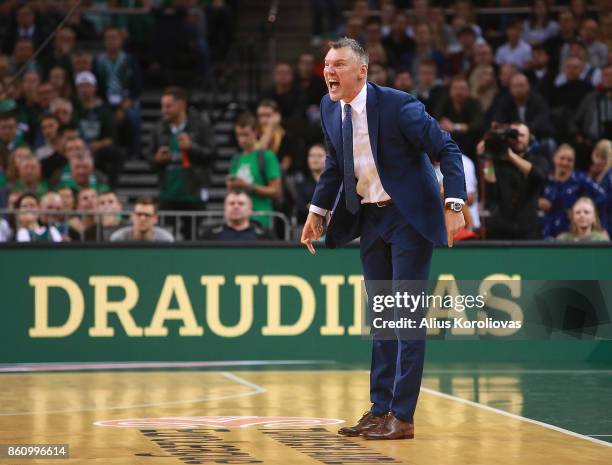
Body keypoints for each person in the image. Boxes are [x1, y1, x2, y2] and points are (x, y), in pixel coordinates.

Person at [300, 38, 466, 440]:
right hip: (370, 219)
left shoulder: (398, 105)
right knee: (381, 318)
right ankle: (379, 410)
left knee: (405, 315)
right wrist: (316, 212)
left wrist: (455, 204)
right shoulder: (328, 107)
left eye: (338, 64)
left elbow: (447, 148)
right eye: (326, 64)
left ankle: (403, 416)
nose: (329, 71)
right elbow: (336, 167)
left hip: (409, 217)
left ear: (362, 70)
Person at [151, 86, 216, 239]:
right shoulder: (158, 127)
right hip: (168, 193)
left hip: (193, 193)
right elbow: (148, 158)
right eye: (162, 106)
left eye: (168, 106)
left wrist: (191, 147)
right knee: (166, 237)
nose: (163, 110)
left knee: (193, 238)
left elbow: (212, 154)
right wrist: (157, 160)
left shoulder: (201, 124)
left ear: (181, 105)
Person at [481, 122, 548, 239]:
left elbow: (539, 177)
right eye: (513, 135)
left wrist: (511, 157)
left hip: (528, 230)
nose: (518, 139)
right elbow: (490, 189)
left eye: (522, 135)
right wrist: (487, 157)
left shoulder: (538, 160)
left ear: (530, 139)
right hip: (500, 230)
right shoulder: (496, 163)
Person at [228, 112, 282, 229]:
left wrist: (248, 186)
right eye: (239, 135)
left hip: (260, 219)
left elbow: (276, 191)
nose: (242, 139)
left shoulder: (267, 156)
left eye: (245, 135)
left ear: (255, 132)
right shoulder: (236, 159)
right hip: (238, 219)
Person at [540, 144, 607, 238]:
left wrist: (581, 207)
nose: (565, 162)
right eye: (562, 158)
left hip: (571, 232)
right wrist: (538, 201)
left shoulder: (580, 178)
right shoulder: (546, 179)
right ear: (554, 158)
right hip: (546, 231)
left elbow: (603, 196)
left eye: (570, 160)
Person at [199, 189, 275, 240]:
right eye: (231, 203)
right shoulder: (209, 235)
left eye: (241, 203)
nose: (236, 206)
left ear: (250, 210)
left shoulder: (266, 235)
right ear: (225, 209)